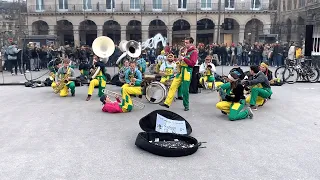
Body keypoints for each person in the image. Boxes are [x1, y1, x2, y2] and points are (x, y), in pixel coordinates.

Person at [160, 37, 198, 111]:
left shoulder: (194, 52)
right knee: (173, 86)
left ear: (191, 43)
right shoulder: (185, 50)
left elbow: (192, 64)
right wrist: (178, 60)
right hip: (181, 70)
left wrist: (183, 58)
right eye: (185, 42)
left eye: (187, 43)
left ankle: (186, 105)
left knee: (185, 90)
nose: (185, 44)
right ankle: (167, 103)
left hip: (187, 71)